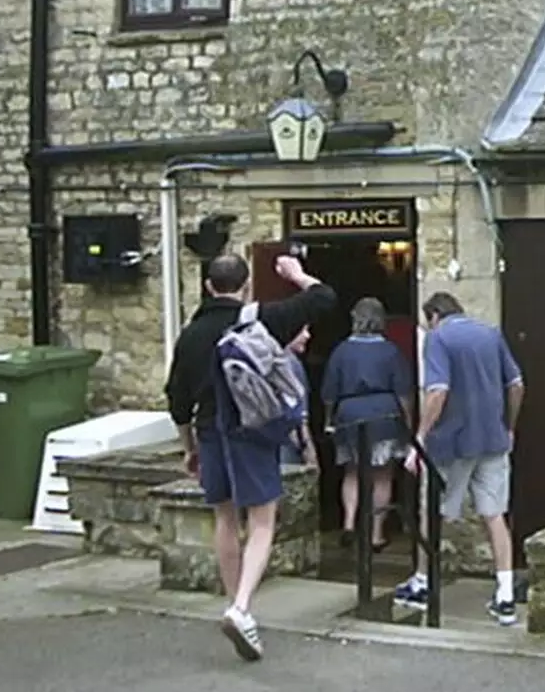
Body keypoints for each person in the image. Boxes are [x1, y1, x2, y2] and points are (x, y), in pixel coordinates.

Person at [165, 252, 336, 663]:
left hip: (209, 431)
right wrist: (297, 275)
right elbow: (325, 298)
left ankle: (235, 604)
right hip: (251, 432)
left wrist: (189, 446)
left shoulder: (189, 335)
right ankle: (241, 608)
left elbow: (176, 399)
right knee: (262, 520)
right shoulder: (260, 319)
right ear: (244, 287)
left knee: (225, 517)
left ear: (208, 286)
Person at [395, 291, 524, 625]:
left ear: (435, 314)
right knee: (494, 515)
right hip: (493, 440)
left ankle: (423, 583)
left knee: (434, 514)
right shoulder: (490, 334)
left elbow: (437, 391)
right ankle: (506, 594)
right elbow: (517, 384)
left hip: (452, 444)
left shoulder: (438, 338)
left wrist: (420, 438)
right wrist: (508, 426)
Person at [320, 296, 413, 551]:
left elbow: (329, 393)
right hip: (384, 413)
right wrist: (408, 422)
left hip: (349, 413)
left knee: (351, 471)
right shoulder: (391, 351)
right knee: (383, 475)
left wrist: (329, 421)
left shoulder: (341, 351)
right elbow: (403, 392)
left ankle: (349, 523)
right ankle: (376, 534)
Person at [278, 326, 319, 471]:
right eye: (301, 330)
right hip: (290, 442)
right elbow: (299, 417)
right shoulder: (291, 364)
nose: (307, 335)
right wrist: (309, 452)